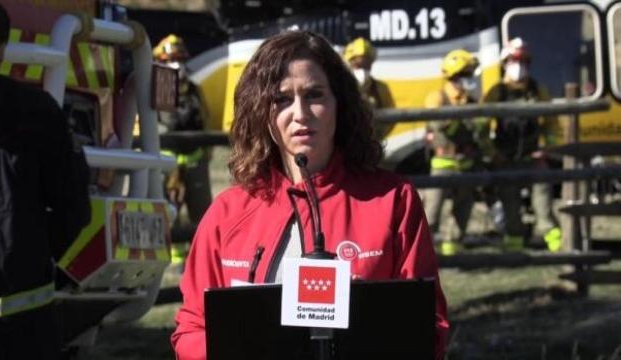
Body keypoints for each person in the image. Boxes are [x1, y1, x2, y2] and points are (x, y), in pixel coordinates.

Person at [171, 30, 448, 359]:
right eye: (282, 99)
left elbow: (430, 326)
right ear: (261, 111)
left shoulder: (393, 201)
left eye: (314, 95)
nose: (300, 113)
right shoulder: (226, 213)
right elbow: (191, 328)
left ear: (339, 105)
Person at [0, 1, 91, 359]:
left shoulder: (36, 112)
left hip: (23, 325)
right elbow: (72, 208)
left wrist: (31, 254)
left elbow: (73, 206)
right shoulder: (37, 111)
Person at [482, 37, 562, 251]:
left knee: (543, 204)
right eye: (514, 60)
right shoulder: (496, 92)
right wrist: (493, 153)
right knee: (510, 205)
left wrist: (547, 149)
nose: (519, 66)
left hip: (534, 159)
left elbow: (552, 124)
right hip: (506, 159)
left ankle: (556, 243)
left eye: (524, 61)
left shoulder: (538, 90)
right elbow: (480, 125)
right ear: (505, 63)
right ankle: (514, 245)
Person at [422, 49, 491, 256]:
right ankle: (420, 250)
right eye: (467, 74)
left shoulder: (471, 100)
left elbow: (481, 127)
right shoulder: (437, 97)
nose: (471, 79)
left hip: (466, 163)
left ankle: (453, 249)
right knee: (431, 211)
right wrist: (460, 114)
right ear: (455, 76)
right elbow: (438, 124)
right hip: (443, 162)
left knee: (462, 209)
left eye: (471, 74)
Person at [152, 34, 212, 265]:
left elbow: (205, 119)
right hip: (168, 162)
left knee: (201, 212)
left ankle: (202, 258)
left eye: (180, 59)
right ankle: (176, 260)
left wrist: (207, 153)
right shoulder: (157, 90)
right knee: (170, 213)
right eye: (170, 59)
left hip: (196, 159)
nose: (177, 65)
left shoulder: (195, 90)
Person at [343, 37, 395, 138]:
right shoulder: (339, 87)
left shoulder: (381, 88)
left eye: (366, 65)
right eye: (358, 65)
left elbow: (391, 117)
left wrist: (377, 136)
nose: (362, 69)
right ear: (349, 64)